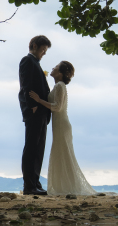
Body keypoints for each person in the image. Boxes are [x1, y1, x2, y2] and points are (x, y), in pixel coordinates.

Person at [29, 61, 96, 197]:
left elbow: (57, 107)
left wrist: (39, 100)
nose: (52, 68)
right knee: (61, 154)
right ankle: (63, 185)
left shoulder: (60, 86)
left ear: (60, 73)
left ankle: (65, 187)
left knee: (62, 153)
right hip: (59, 124)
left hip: (61, 125)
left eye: (56, 67)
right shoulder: (58, 86)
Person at [18, 36, 52, 196]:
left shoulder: (36, 64)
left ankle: (35, 183)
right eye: (43, 50)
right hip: (34, 111)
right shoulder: (27, 61)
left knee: (39, 149)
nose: (44, 53)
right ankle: (29, 186)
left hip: (42, 113)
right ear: (34, 46)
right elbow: (26, 86)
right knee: (31, 148)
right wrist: (32, 107)